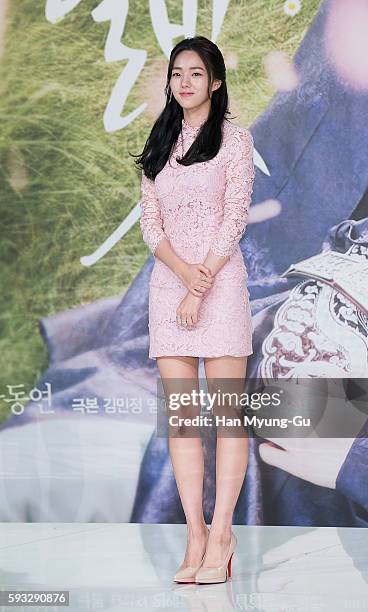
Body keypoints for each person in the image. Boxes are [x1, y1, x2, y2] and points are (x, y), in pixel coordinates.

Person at [133, 36, 256, 584]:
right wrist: (182, 279)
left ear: (216, 82)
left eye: (196, 73)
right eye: (177, 73)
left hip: (221, 287)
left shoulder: (234, 141)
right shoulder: (159, 144)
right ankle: (196, 534)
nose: (184, 82)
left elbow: (234, 220)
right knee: (183, 423)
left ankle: (224, 533)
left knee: (226, 417)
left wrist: (199, 286)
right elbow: (150, 224)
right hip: (169, 290)